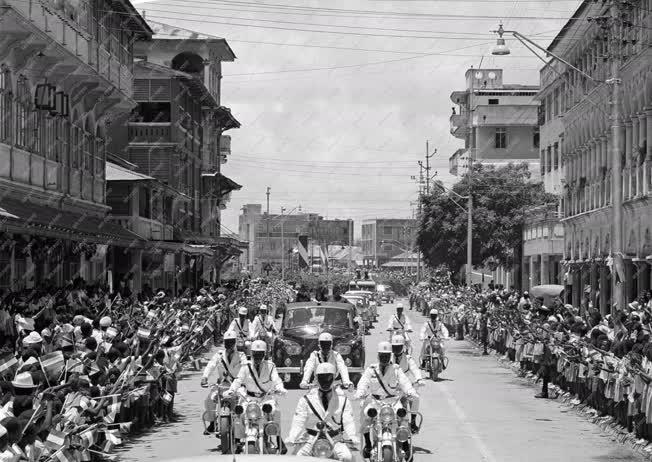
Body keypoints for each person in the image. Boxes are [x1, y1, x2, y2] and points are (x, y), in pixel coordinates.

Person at [355, 341, 418, 460]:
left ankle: (405, 445)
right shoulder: (371, 369)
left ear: (390, 356)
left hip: (393, 402)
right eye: (382, 355)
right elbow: (363, 382)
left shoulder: (396, 369)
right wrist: (360, 392)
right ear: (378, 356)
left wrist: (410, 391)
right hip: (375, 402)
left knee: (403, 417)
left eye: (387, 356)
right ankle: (368, 444)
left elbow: (404, 382)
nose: (384, 358)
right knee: (365, 416)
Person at [224, 340, 287, 453]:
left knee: (276, 411)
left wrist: (280, 388)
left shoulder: (270, 366)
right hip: (249, 399)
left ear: (264, 354)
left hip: (265, 398)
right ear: (251, 354)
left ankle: (278, 439)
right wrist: (231, 390)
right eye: (255, 354)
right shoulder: (245, 366)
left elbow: (277, 380)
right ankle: (238, 440)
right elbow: (238, 380)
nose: (257, 357)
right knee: (239, 413)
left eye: (260, 354)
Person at [287, 363, 356, 461]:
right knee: (297, 458)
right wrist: (292, 436)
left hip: (334, 438)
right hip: (310, 438)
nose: (325, 381)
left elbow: (348, 421)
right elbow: (298, 421)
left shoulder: (343, 400)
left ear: (334, 377)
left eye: (328, 378)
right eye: (322, 378)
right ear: (316, 378)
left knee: (347, 457)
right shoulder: (306, 399)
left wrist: (352, 436)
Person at [200, 331, 246, 434]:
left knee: (244, 402)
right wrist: (205, 377)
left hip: (237, 385)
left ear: (235, 343)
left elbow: (246, 367)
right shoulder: (219, 355)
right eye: (227, 342)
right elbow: (211, 365)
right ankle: (212, 422)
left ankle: (243, 427)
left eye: (231, 342)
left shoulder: (241, 356)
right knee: (209, 400)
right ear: (224, 343)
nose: (229, 344)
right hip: (223, 385)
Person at [391, 335, 423, 433]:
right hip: (391, 388)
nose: (396, 349)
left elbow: (415, 370)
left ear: (403, 347)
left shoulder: (408, 359)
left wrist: (419, 379)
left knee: (416, 397)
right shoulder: (387, 357)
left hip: (405, 388)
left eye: (398, 347)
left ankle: (413, 421)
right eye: (394, 347)